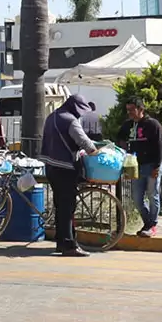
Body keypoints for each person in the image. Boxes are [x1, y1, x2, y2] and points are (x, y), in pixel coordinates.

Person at [39, 94, 99, 257]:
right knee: (67, 207)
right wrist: (95, 151)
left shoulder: (52, 117)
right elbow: (84, 141)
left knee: (60, 206)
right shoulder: (70, 120)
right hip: (65, 168)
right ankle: (68, 245)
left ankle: (61, 242)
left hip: (51, 167)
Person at [117, 98, 162, 237]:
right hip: (136, 166)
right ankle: (148, 222)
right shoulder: (128, 125)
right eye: (128, 110)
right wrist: (124, 149)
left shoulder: (152, 124)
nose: (129, 112)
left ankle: (152, 224)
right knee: (137, 198)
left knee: (152, 195)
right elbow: (119, 138)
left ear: (141, 109)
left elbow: (160, 146)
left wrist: (157, 166)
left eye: (132, 109)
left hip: (151, 165)